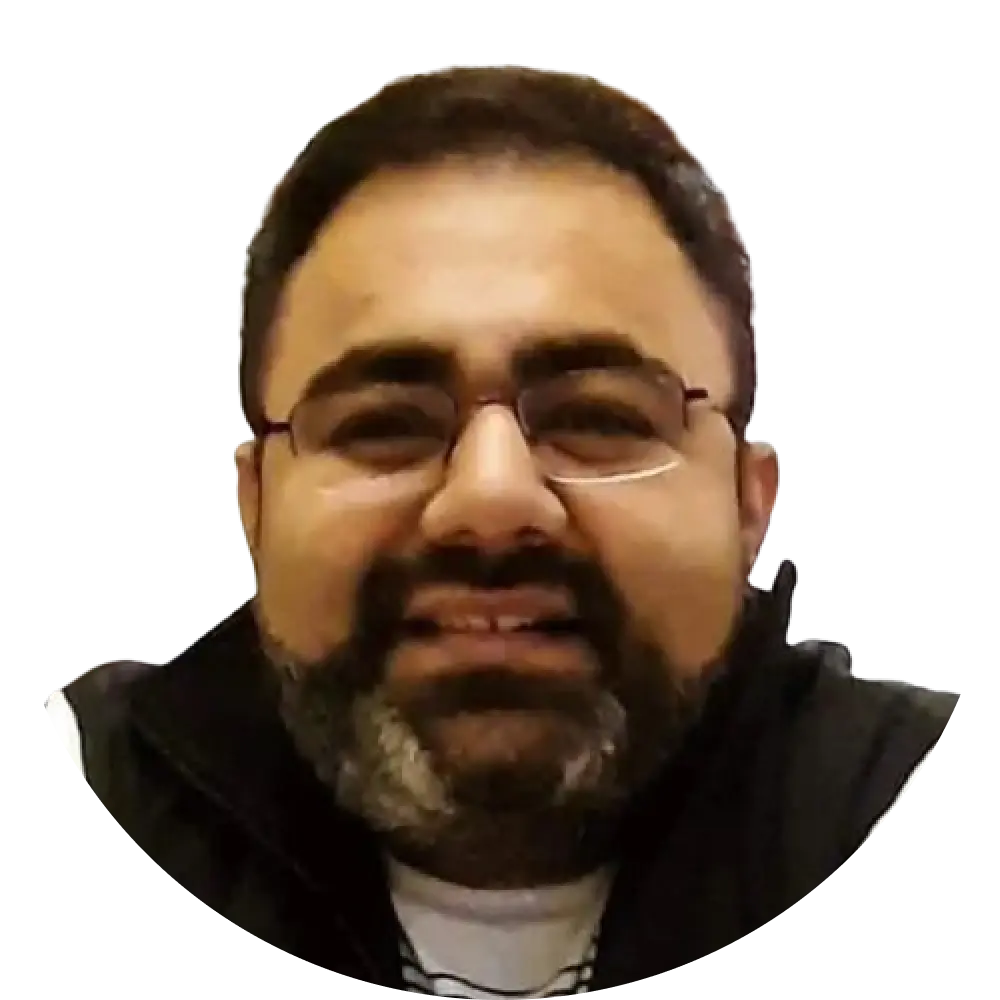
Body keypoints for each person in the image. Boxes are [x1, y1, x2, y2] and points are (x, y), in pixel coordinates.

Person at [44, 65, 960, 993]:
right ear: (255, 502)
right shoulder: (94, 779)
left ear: (746, 500)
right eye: (382, 425)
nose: (490, 502)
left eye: (600, 417)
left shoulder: (889, 792)